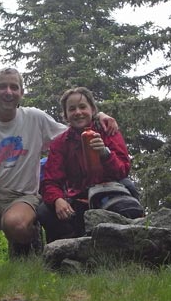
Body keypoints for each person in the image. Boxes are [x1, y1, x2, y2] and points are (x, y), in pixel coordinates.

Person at [0, 68, 118, 262]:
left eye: (14, 87)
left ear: (21, 93)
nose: (8, 92)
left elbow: (73, 132)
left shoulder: (34, 118)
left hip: (24, 197)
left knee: (16, 226)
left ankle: (29, 242)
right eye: (2, 87)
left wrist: (98, 115)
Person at [38, 87, 144, 243]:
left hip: (110, 191)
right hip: (79, 197)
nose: (78, 112)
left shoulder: (108, 130)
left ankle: (133, 244)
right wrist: (57, 200)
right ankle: (63, 255)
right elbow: (51, 180)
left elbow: (123, 170)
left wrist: (104, 153)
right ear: (66, 115)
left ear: (92, 109)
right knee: (45, 212)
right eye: (72, 109)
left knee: (129, 193)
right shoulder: (60, 143)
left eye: (83, 107)